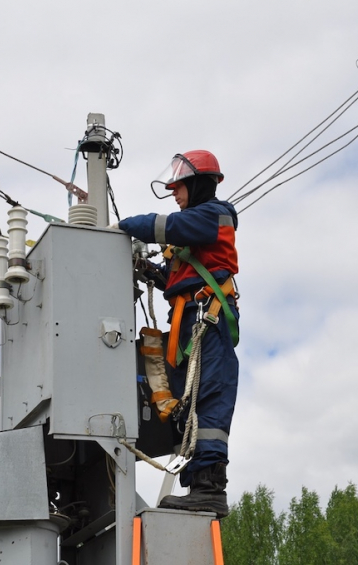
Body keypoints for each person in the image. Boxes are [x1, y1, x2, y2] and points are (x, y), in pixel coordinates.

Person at [116, 150, 239, 518]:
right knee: (188, 403)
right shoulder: (193, 235)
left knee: (209, 397)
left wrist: (121, 226)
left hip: (207, 320)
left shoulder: (214, 215)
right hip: (189, 323)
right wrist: (152, 272)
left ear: (200, 184)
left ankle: (210, 490)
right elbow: (178, 278)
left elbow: (161, 226)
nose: (174, 193)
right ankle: (196, 486)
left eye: (180, 186)